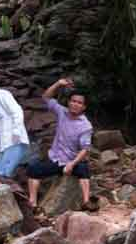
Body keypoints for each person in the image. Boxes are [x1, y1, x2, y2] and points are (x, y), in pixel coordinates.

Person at [26, 77, 97, 211]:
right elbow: (46, 97)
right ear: (68, 102)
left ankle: (86, 201)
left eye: (79, 103)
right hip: (56, 159)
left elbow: (85, 149)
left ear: (84, 107)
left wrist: (72, 163)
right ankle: (33, 203)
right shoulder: (62, 112)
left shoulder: (85, 126)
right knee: (32, 169)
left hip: (71, 161)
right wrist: (58, 83)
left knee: (84, 170)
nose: (75, 104)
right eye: (73, 101)